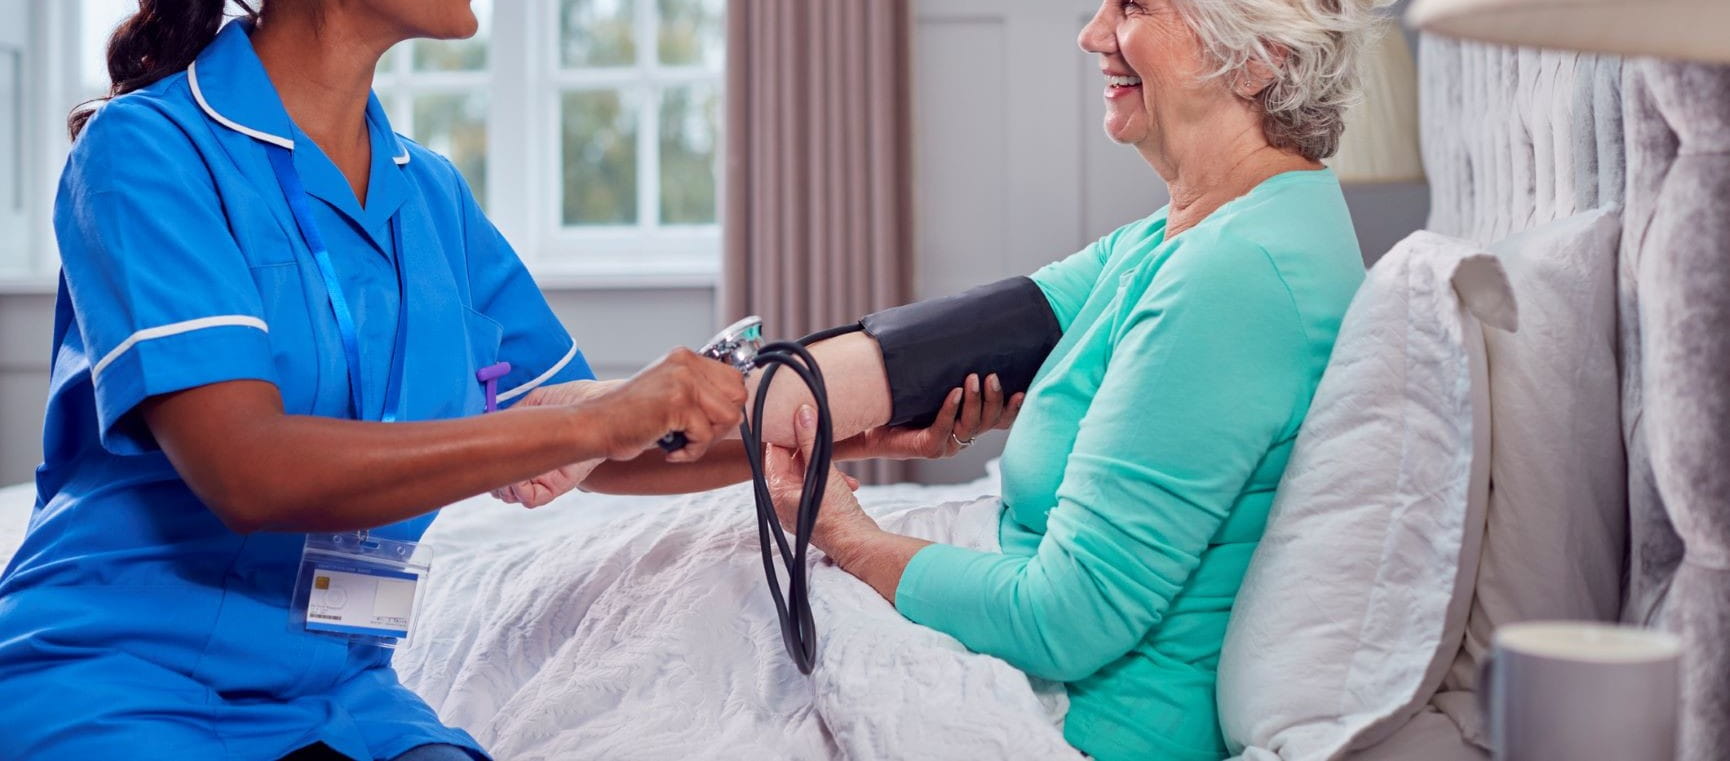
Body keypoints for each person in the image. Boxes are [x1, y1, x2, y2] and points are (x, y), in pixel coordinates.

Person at [0, 2, 1009, 759]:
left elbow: (598, 442)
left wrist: (831, 424)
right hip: (120, 672)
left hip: (340, 693)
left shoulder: (426, 195)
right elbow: (247, 469)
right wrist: (592, 423)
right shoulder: (146, 153)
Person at [754, 1, 1381, 759]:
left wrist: (844, 534)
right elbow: (924, 352)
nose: (1091, 34)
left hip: (1089, 723)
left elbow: (1064, 620)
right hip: (1038, 667)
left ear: (1258, 58)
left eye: (1134, 7)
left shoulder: (1234, 275)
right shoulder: (1187, 230)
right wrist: (649, 413)